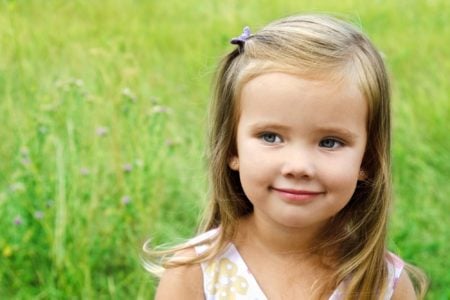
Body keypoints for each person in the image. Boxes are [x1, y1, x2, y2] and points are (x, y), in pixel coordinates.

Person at [145, 14, 428, 299]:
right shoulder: (195, 273)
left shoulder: (381, 283)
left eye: (330, 142)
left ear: (367, 160)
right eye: (271, 137)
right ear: (232, 148)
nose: (298, 167)